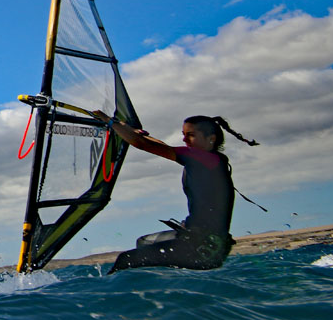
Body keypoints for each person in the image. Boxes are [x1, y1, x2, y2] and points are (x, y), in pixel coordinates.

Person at [92, 110, 258, 273]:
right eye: (183, 134)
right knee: (144, 242)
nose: (185, 139)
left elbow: (142, 144)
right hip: (204, 244)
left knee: (126, 260)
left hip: (203, 249)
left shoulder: (204, 159)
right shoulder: (210, 161)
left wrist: (110, 121)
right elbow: (161, 146)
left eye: (190, 135)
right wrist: (130, 130)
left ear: (211, 139)